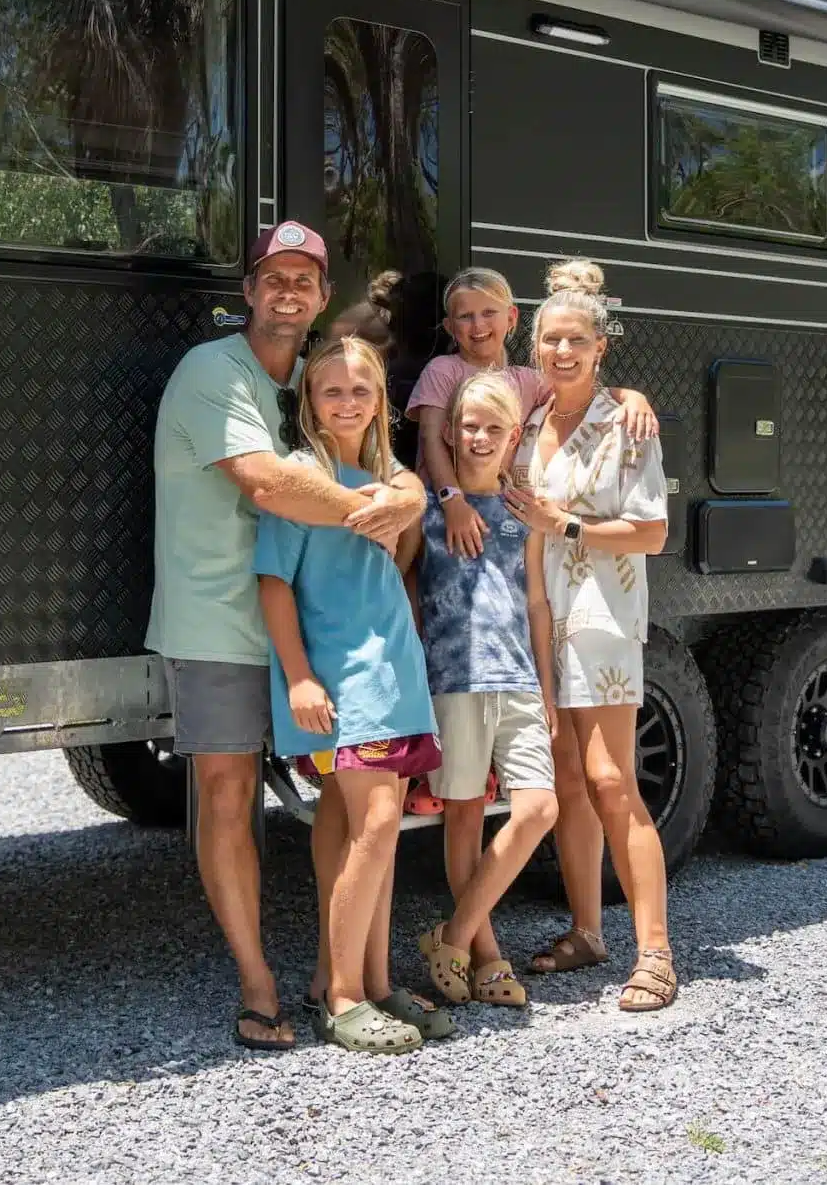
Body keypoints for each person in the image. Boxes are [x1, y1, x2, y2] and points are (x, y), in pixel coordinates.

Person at [147, 220, 427, 1052]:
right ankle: (257, 982)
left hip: (318, 631)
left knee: (347, 800)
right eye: (275, 277)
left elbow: (375, 447)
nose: (289, 291)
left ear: (320, 297)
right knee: (228, 799)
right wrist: (387, 509)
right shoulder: (212, 371)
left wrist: (410, 491)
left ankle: (338, 978)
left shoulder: (317, 377)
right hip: (218, 621)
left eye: (306, 280)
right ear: (249, 291)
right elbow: (271, 483)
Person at [256, 335, 448, 1055]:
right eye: (330, 389)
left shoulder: (386, 472)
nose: (346, 401)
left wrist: (406, 495)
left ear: (380, 402)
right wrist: (300, 674)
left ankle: (370, 979)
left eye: (360, 390)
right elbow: (273, 581)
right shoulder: (305, 477)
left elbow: (409, 498)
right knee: (378, 821)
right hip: (343, 676)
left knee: (360, 824)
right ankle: (341, 997)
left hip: (390, 671)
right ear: (310, 399)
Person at [505, 259, 679, 1013]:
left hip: (603, 622)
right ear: (535, 348)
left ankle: (657, 953)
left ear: (601, 346)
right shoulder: (533, 420)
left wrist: (565, 523)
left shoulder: (627, 423)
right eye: (550, 340)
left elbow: (653, 532)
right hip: (539, 620)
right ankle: (587, 930)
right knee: (568, 779)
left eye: (576, 339)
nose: (562, 352)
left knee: (612, 781)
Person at [408, 369, 560, 1011]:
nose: (479, 437)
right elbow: (410, 591)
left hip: (518, 678)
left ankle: (451, 935)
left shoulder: (520, 511)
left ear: (513, 436)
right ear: (450, 430)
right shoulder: (425, 508)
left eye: (494, 429)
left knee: (537, 810)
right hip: (454, 679)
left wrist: (548, 689)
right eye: (469, 426)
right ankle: (488, 954)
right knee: (464, 815)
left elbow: (536, 601)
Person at [407, 265, 658, 563]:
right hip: (446, 508)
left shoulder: (526, 380)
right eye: (465, 316)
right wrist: (452, 500)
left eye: (489, 313)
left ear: (512, 318)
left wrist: (630, 396)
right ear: (450, 327)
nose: (478, 326)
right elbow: (431, 439)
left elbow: (576, 393)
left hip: (501, 514)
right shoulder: (443, 371)